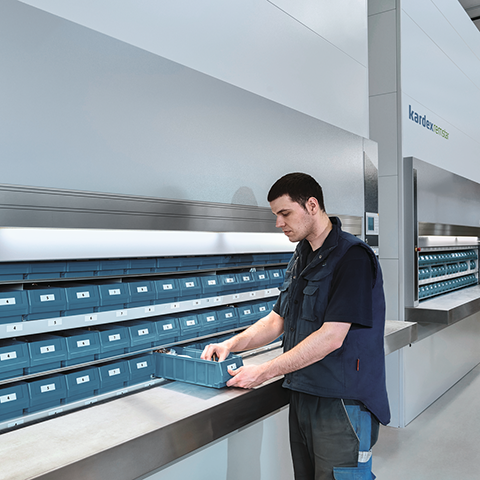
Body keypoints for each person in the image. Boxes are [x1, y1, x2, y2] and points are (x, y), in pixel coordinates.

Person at [201, 172, 390, 480]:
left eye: (285, 213)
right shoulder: (301, 256)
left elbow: (331, 337)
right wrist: (231, 345)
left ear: (311, 205)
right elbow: (278, 320)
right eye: (276, 215)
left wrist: (263, 371)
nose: (279, 223)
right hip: (304, 393)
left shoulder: (351, 257)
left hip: (341, 402)